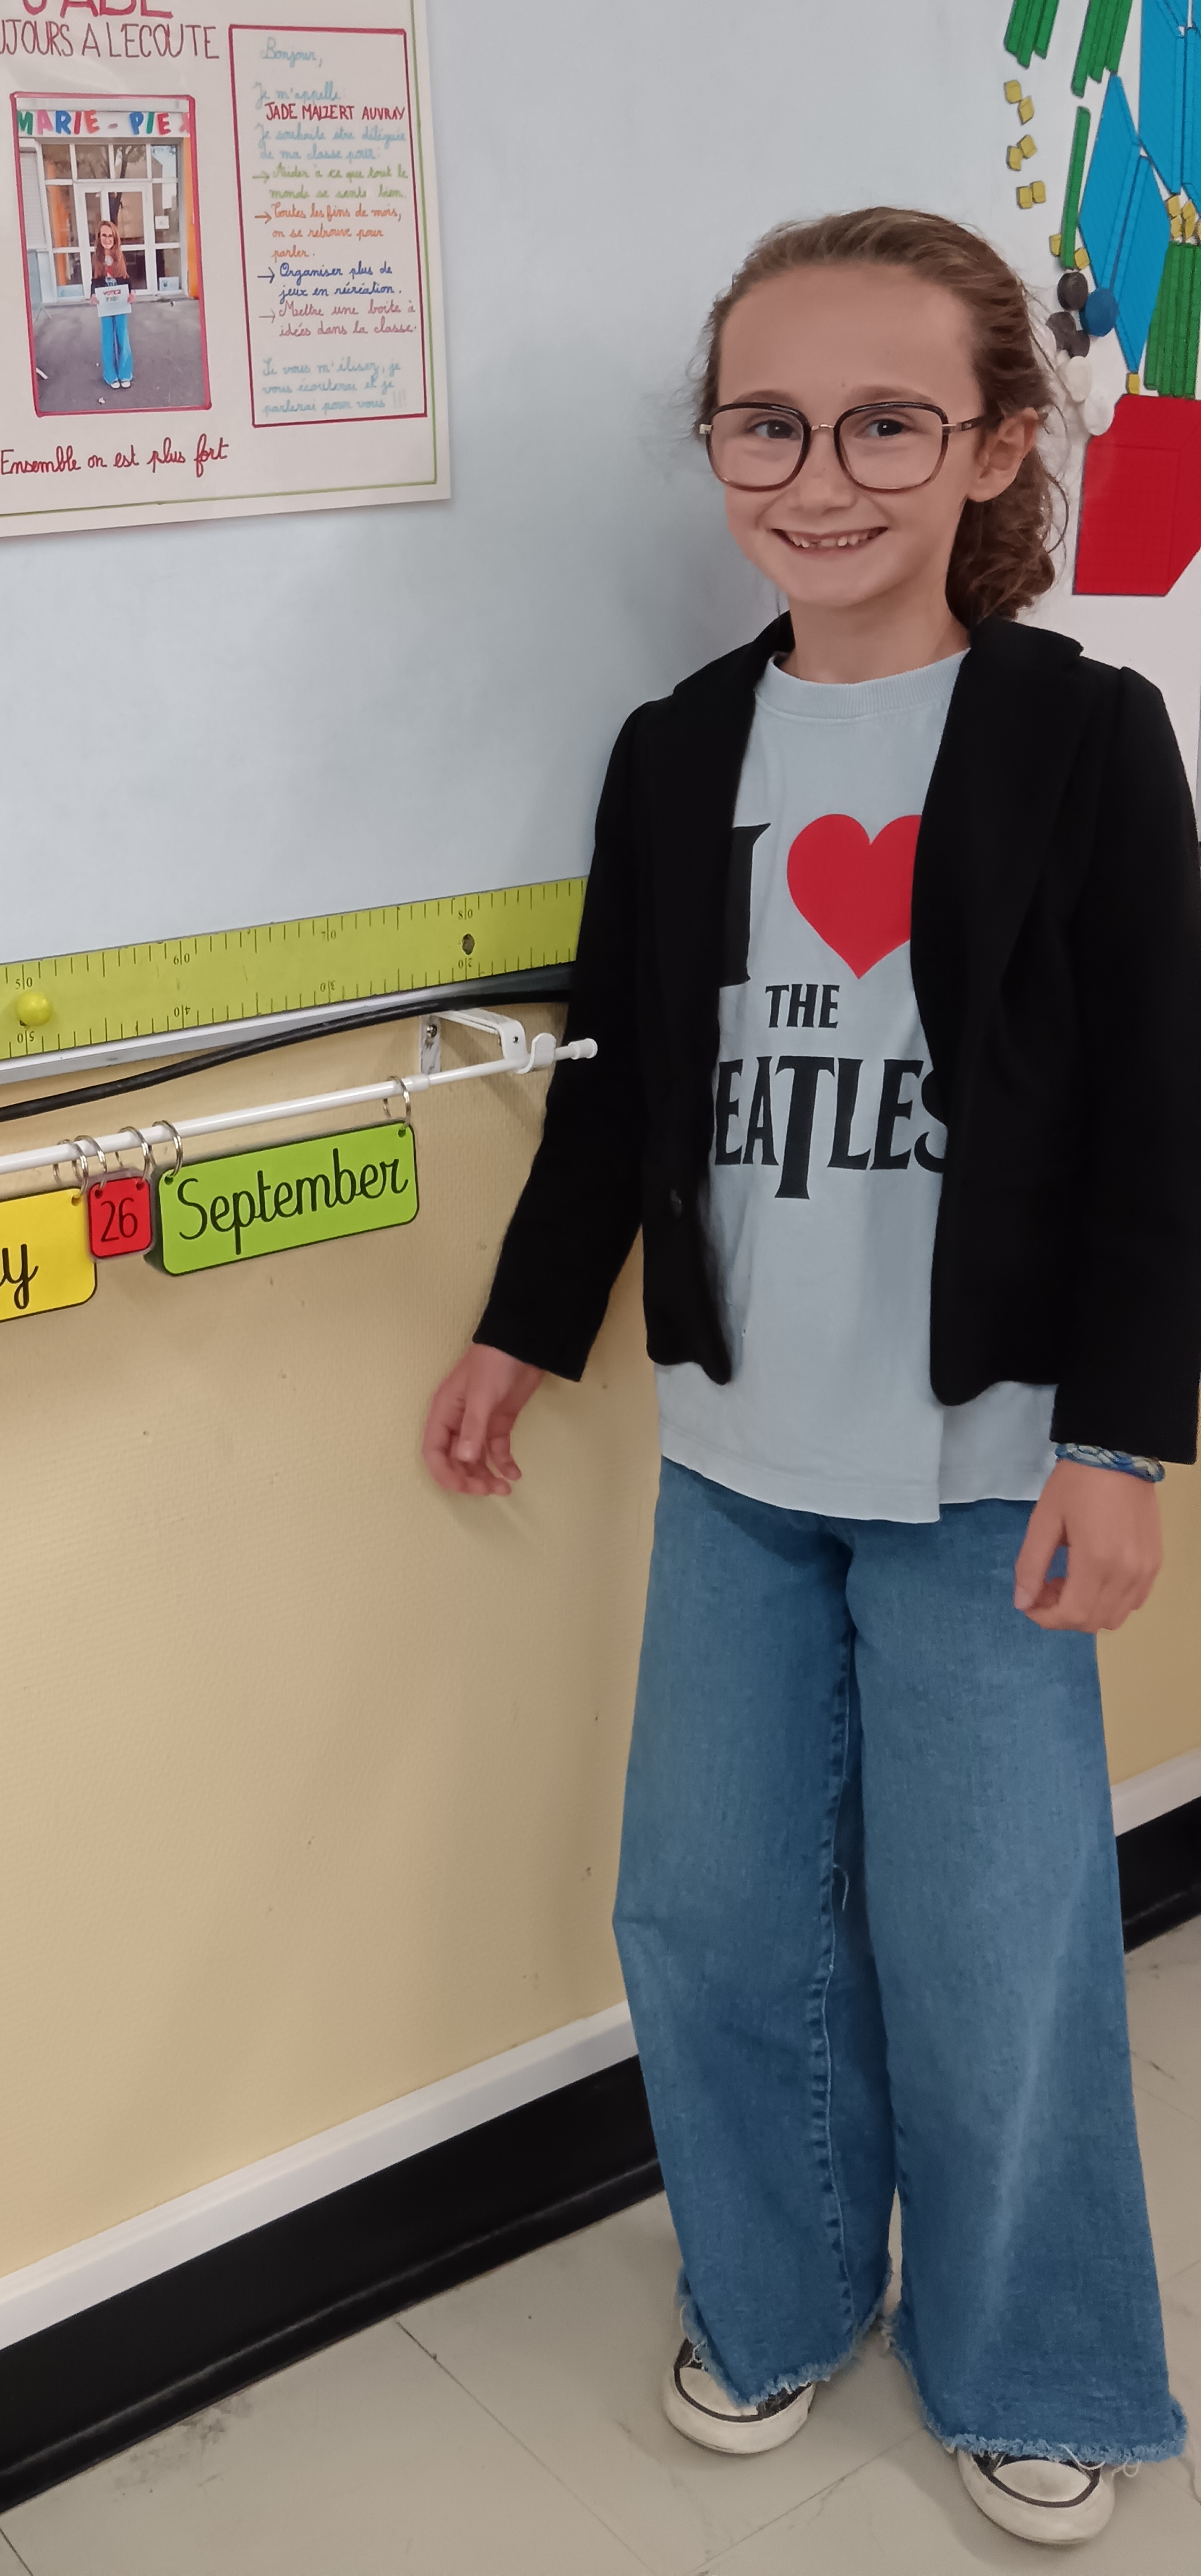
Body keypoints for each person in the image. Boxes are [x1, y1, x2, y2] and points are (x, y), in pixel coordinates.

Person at [423, 208, 1197, 2549]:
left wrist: (1122, 1437)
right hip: (739, 1457)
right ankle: (774, 2296)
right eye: (764, 424)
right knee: (709, 1911)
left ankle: (1032, 2351)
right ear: (714, 444)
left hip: (984, 1466)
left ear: (993, 445)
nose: (818, 476)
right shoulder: (678, 752)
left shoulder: (1080, 733)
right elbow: (614, 1082)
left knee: (995, 1947)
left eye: (884, 423)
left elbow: (1159, 1109)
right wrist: (521, 1322)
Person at [93, 217, 133, 392]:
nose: (107, 239)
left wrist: (132, 293)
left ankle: (125, 374)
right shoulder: (97, 258)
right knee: (108, 340)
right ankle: (110, 375)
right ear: (99, 237)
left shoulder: (120, 256)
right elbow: (95, 280)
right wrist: (92, 295)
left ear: (115, 238)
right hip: (105, 304)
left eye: (110, 236)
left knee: (122, 337)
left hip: (120, 303)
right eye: (104, 235)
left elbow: (126, 278)